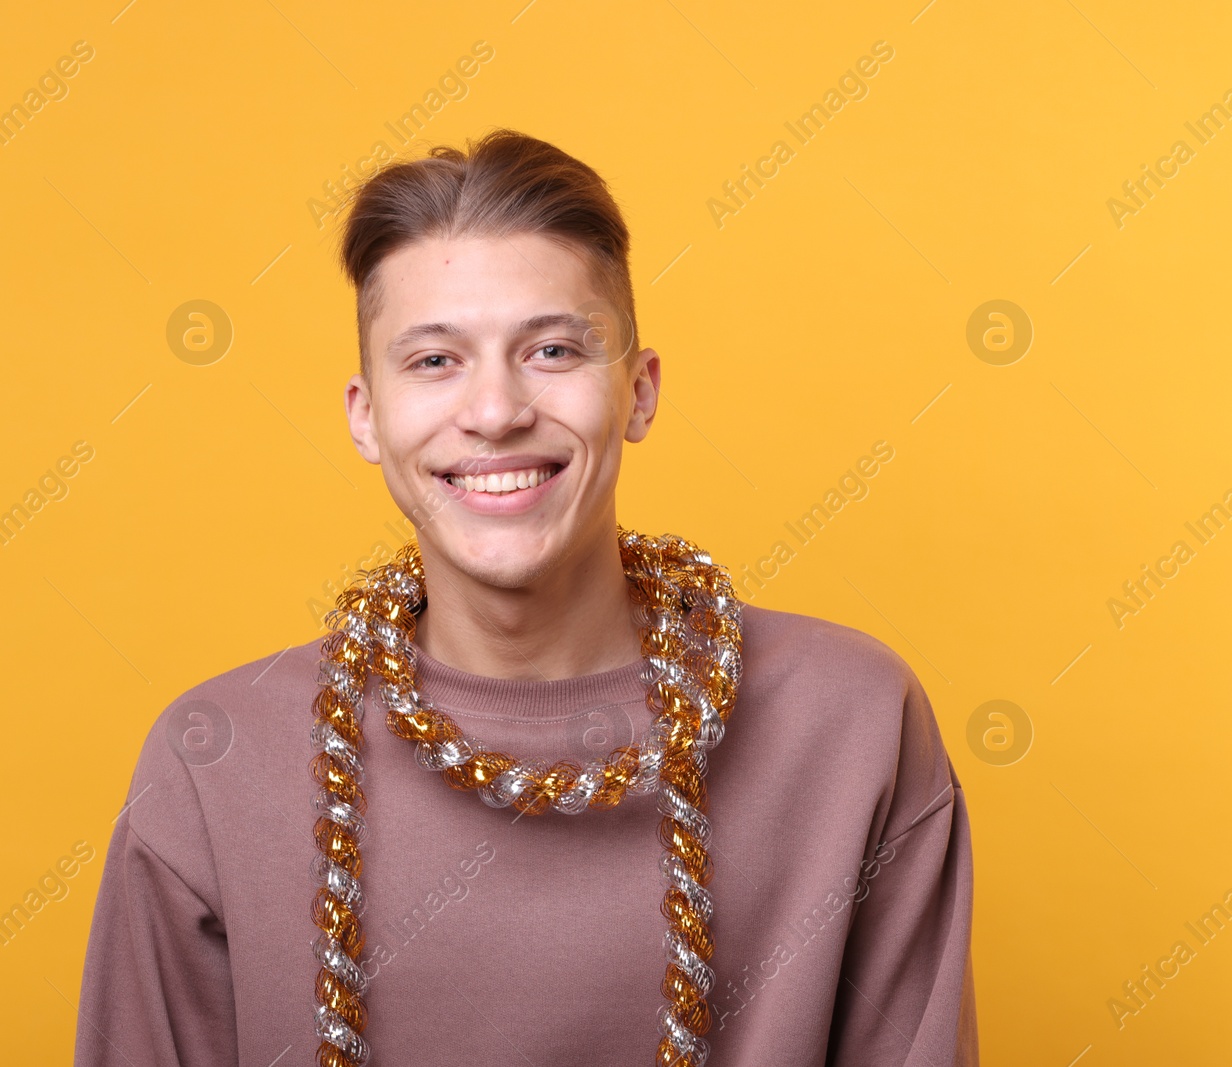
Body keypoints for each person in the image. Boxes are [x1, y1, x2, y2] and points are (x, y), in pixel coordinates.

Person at [75, 128, 978, 1067]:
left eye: (551, 350)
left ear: (638, 390)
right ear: (366, 415)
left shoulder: (853, 723)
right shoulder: (214, 764)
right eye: (434, 360)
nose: (497, 409)